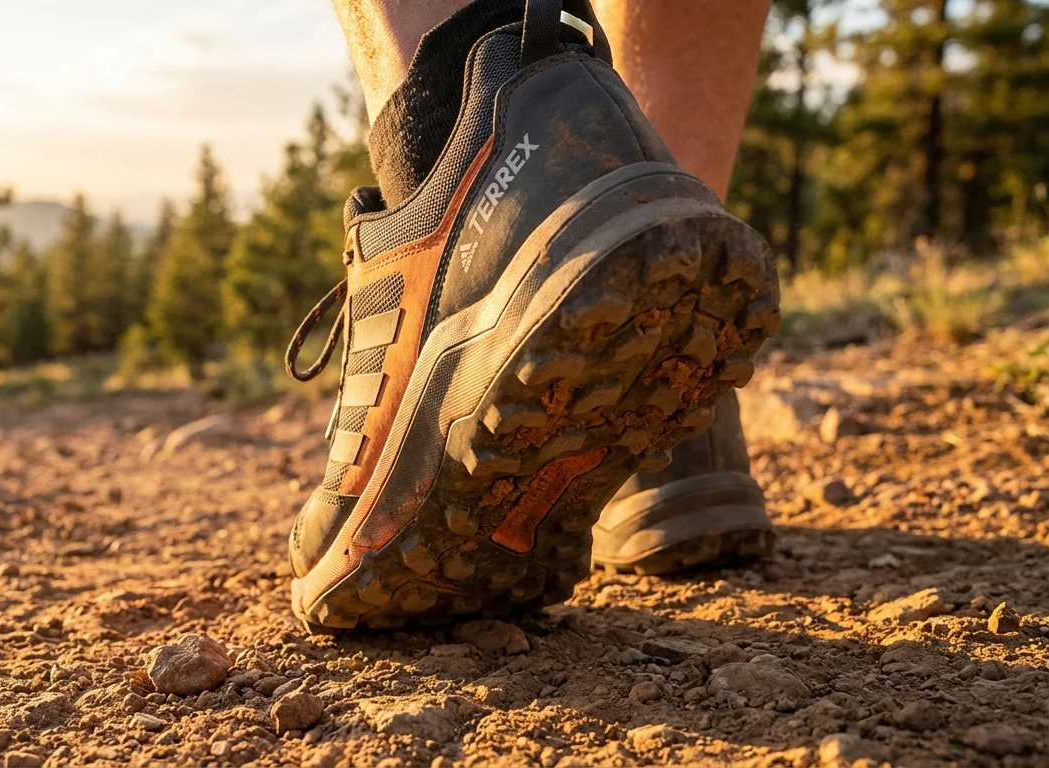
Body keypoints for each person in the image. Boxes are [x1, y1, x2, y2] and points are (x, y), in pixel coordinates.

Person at [284, 0, 778, 630]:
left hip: (488, 189)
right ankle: (668, 386)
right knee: (622, 219)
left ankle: (452, 162)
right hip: (623, 182)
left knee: (464, 64)